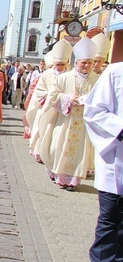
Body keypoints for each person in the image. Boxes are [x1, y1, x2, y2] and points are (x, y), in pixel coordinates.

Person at [79, 60, 123, 262]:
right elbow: (94, 111)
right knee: (109, 219)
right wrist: (120, 128)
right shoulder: (116, 73)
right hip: (117, 159)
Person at [36, 37, 99, 191]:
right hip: (63, 119)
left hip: (83, 121)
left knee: (78, 151)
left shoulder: (97, 79)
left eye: (89, 63)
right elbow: (53, 96)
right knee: (57, 147)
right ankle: (56, 173)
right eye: (83, 62)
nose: (86, 66)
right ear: (76, 62)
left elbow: (102, 98)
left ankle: (72, 180)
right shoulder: (64, 78)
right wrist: (68, 99)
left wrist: (89, 102)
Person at [26, 40, 71, 161]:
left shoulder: (70, 75)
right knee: (44, 129)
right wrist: (51, 96)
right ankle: (40, 152)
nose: (60, 67)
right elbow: (39, 91)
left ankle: (54, 156)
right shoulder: (46, 74)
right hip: (47, 107)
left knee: (57, 135)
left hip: (62, 110)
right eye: (58, 64)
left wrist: (64, 98)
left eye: (62, 64)